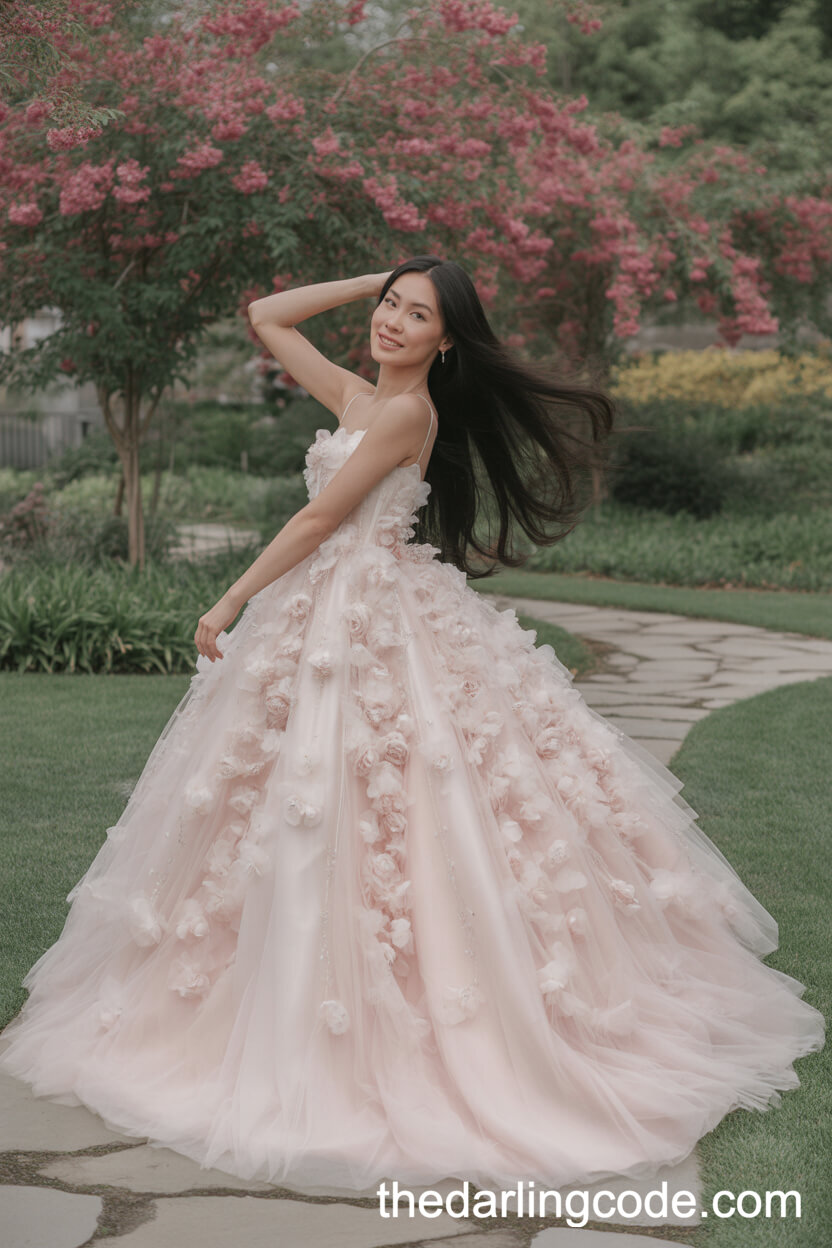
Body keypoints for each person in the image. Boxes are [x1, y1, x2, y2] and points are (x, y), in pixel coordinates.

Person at [0, 256, 824, 1199]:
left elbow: (317, 523)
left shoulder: (400, 415)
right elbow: (266, 315)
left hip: (366, 614)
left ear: (445, 343)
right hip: (327, 619)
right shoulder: (357, 392)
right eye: (391, 306)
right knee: (288, 797)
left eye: (415, 313)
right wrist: (374, 275)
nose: (392, 321)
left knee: (392, 796)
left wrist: (229, 599)